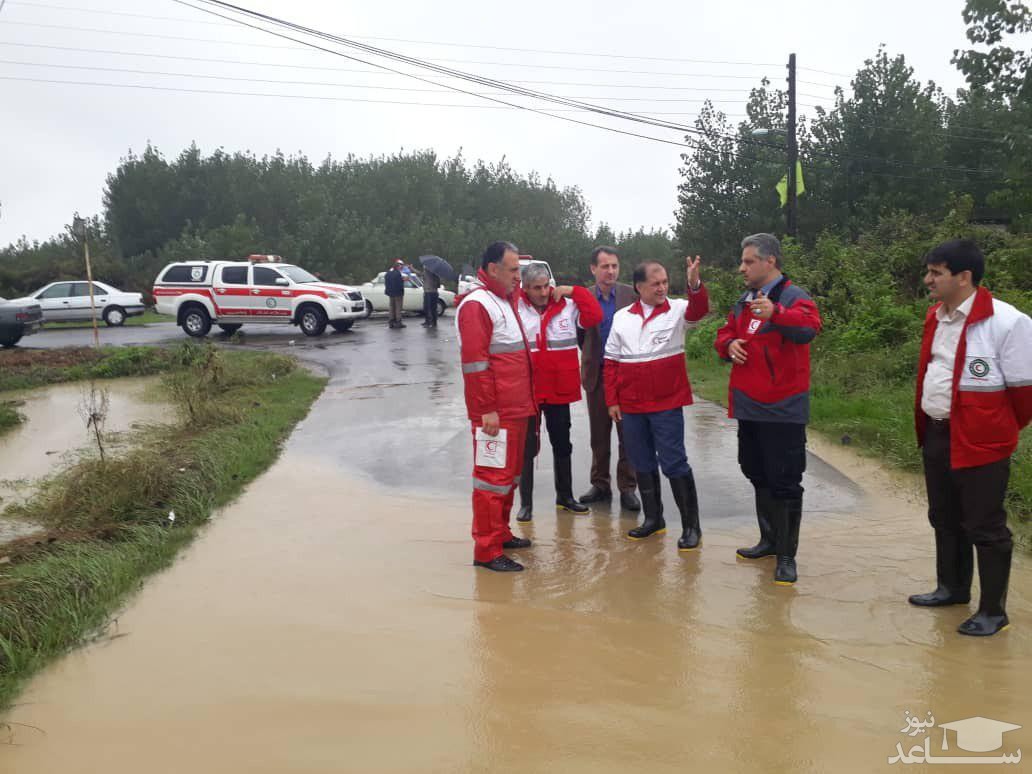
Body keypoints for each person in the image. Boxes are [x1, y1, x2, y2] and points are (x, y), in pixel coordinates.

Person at [909, 239, 1032, 636]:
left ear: (964, 277)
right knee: (944, 517)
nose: (928, 279)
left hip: (981, 442)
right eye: (928, 271)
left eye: (936, 273)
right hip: (938, 432)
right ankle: (952, 588)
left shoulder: (1007, 322)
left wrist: (991, 430)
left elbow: (1024, 394)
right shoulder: (936, 317)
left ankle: (993, 611)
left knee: (985, 525)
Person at [714, 233, 821, 586]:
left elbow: (809, 329)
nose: (741, 267)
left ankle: (787, 556)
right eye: (742, 261)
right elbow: (722, 334)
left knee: (786, 480)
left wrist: (779, 313)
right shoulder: (743, 300)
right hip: (749, 405)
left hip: (783, 407)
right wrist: (729, 345)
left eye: (748, 261)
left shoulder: (794, 296)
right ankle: (769, 540)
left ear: (770, 261)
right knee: (755, 469)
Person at [604, 257, 709, 549]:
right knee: (641, 462)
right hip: (632, 406)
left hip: (666, 403)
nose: (662, 288)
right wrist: (612, 400)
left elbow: (699, 310)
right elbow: (610, 361)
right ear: (639, 287)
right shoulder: (622, 317)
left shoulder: (677, 309)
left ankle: (691, 527)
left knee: (674, 462)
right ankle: (654, 520)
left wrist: (694, 284)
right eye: (655, 284)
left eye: (665, 282)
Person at [456, 241, 537, 572]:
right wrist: (486, 410)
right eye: (514, 269)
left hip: (516, 408)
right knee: (491, 481)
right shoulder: (477, 305)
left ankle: (501, 533)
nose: (519, 276)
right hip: (496, 413)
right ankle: (486, 551)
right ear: (492, 269)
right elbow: (476, 363)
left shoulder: (504, 299)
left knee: (509, 478)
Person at [515, 263, 604, 522]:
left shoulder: (568, 305)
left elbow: (594, 316)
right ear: (526, 288)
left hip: (559, 389)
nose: (543, 293)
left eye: (546, 286)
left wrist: (573, 290)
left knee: (562, 444)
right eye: (536, 288)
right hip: (528, 390)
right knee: (527, 448)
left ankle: (564, 497)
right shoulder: (516, 308)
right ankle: (526, 503)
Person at [579, 247, 641, 513]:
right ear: (593, 269)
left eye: (614, 266)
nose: (611, 271)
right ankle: (600, 485)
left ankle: (628, 488)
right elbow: (579, 335)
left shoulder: (631, 294)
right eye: (605, 266)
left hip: (625, 376)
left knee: (628, 435)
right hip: (597, 374)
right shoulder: (585, 297)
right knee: (599, 435)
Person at [385, 260, 406, 329]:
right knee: (398, 308)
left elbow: (387, 283)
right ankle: (398, 322)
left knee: (391, 307)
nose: (401, 267)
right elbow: (399, 284)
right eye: (400, 266)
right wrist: (402, 282)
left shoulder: (388, 273)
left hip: (390, 293)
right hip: (398, 293)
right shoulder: (398, 274)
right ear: (397, 267)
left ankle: (391, 322)